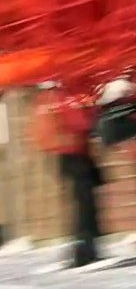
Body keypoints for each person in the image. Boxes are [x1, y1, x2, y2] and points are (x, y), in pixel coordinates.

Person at [30, 82, 103, 268]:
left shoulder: (44, 98)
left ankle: (85, 246)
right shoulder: (61, 95)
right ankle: (84, 250)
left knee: (78, 201)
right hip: (75, 152)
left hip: (63, 154)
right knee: (84, 202)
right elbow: (81, 121)